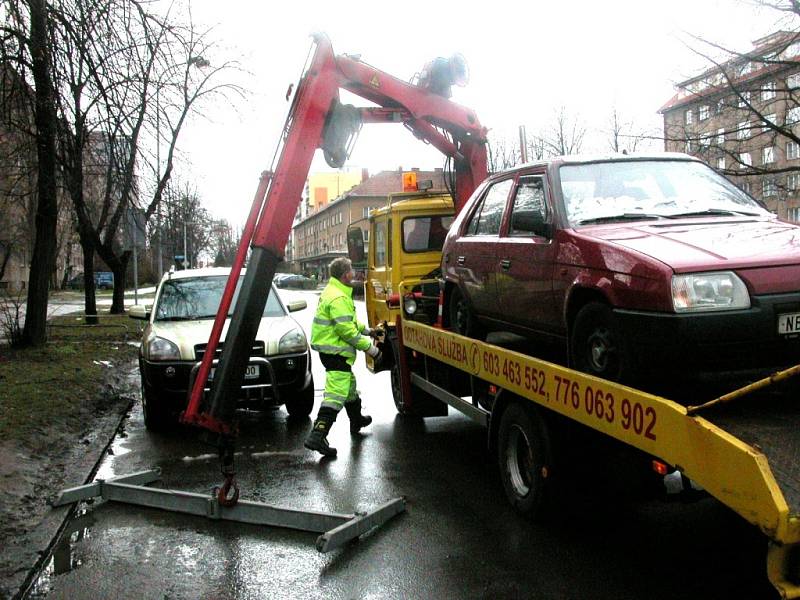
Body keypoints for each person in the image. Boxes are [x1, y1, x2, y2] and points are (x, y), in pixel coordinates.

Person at [304, 257, 381, 457]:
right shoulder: (338, 297)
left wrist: (368, 331)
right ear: (346, 274)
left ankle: (356, 420)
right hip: (335, 353)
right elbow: (346, 331)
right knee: (336, 394)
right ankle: (317, 435)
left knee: (349, 387)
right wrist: (371, 349)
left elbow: (350, 322)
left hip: (333, 353)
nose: (354, 274)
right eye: (351, 271)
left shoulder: (335, 292)